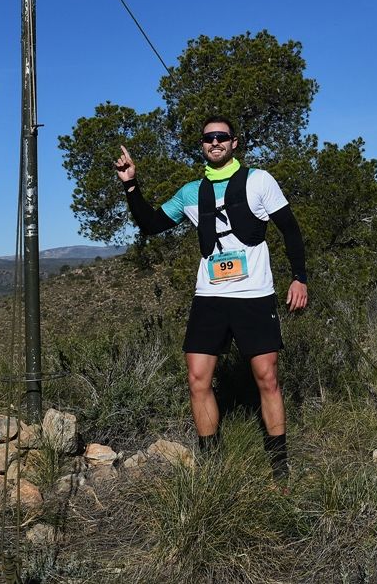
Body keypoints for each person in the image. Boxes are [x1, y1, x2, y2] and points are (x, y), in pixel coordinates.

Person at [115, 116, 308, 478]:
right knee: (197, 379)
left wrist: (299, 278)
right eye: (208, 138)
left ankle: (279, 470)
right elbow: (152, 224)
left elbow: (291, 231)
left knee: (266, 378)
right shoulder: (191, 192)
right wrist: (131, 186)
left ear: (234, 142)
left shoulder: (258, 181)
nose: (214, 142)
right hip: (210, 297)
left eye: (221, 137)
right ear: (202, 145)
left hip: (254, 294)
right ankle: (212, 468)